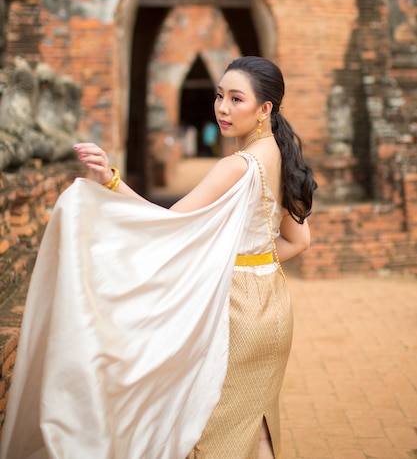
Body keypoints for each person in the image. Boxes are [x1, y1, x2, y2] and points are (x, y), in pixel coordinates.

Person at [0, 56, 316, 459]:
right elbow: (299, 240)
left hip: (234, 311)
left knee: (213, 432)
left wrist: (110, 181)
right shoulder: (283, 156)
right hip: (272, 307)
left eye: (236, 99)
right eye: (220, 96)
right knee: (255, 428)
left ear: (264, 108)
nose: (222, 108)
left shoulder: (237, 166)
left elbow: (166, 224)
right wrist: (254, 262)